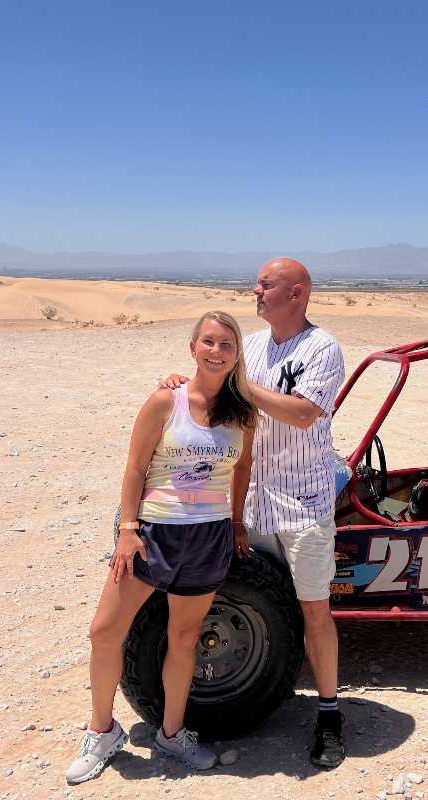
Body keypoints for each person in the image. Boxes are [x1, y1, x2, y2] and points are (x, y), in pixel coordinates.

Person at [163, 258, 346, 768]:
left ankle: (330, 715)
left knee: (314, 611)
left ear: (297, 293)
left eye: (266, 285)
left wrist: (240, 384)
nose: (256, 291)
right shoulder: (257, 348)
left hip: (303, 504)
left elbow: (303, 413)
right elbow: (222, 396)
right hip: (253, 502)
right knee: (258, 599)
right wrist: (182, 384)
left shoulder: (322, 348)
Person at [66, 311, 256, 784]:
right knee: (104, 632)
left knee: (185, 638)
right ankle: (102, 731)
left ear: (236, 354)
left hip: (209, 536)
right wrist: (128, 528)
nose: (217, 351)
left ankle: (172, 734)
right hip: (155, 532)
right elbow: (135, 467)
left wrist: (236, 522)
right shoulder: (165, 401)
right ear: (193, 348)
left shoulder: (242, 413)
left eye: (227, 344)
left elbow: (242, 468)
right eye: (208, 342)